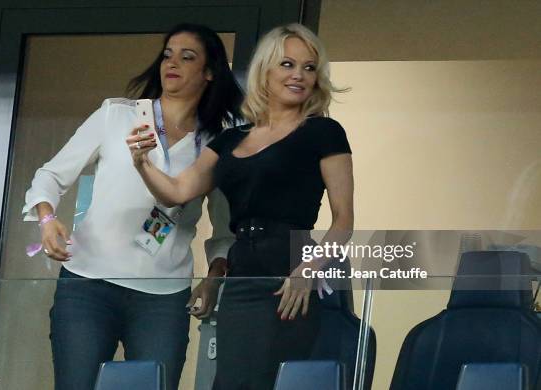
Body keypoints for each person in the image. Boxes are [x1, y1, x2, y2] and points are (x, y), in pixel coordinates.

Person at [128, 23, 354, 389]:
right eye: (287, 65)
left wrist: (309, 269)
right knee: (229, 381)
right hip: (240, 273)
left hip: (288, 275)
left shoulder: (324, 132)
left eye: (309, 68)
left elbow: (344, 219)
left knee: (265, 380)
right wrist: (142, 162)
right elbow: (176, 192)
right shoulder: (231, 138)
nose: (299, 75)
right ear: (265, 70)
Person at [23, 23, 243, 390]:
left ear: (209, 72)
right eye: (168, 54)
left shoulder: (216, 143)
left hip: (163, 295)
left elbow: (225, 229)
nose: (172, 63)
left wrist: (213, 279)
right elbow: (51, 175)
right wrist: (47, 219)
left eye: (187, 57)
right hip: (87, 284)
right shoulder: (118, 114)